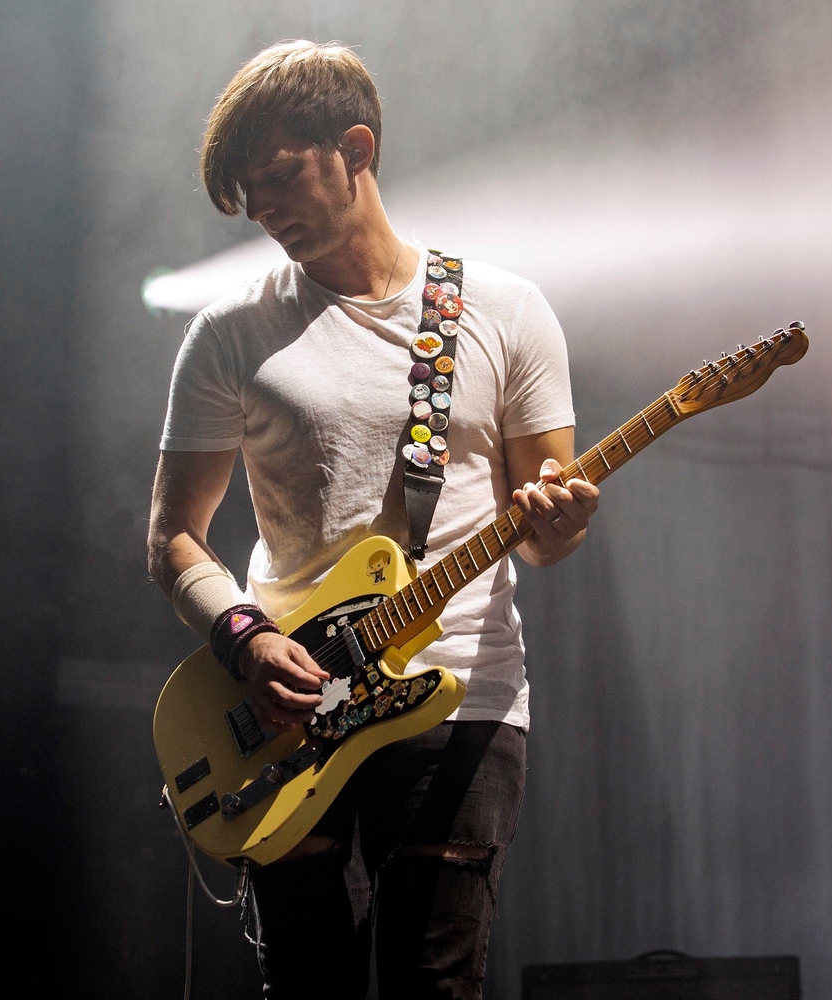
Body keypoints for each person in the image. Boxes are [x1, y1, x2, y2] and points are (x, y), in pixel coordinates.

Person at [147, 40, 598, 998]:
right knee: (312, 983)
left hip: (463, 693)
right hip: (292, 707)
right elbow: (173, 535)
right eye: (245, 193)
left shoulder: (507, 312)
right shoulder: (229, 333)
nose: (263, 211)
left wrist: (561, 521)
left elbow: (551, 529)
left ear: (356, 146)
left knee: (435, 982)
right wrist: (244, 638)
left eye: (277, 177)